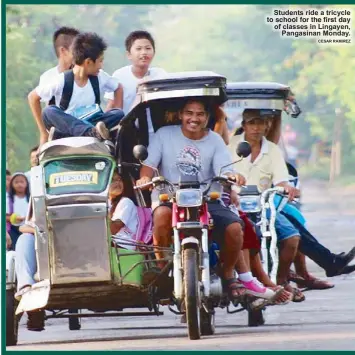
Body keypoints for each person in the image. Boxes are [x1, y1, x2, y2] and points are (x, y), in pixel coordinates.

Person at [228, 109, 355, 298]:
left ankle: (281, 280)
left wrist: (286, 187)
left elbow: (281, 178)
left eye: (260, 123)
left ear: (266, 125)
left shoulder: (272, 150)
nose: (256, 128)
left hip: (264, 203)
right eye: (252, 123)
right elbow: (221, 171)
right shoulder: (230, 147)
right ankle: (326, 264)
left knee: (292, 235)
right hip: (234, 204)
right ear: (244, 125)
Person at [136, 98, 249, 299]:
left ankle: (228, 273)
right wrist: (145, 177)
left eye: (200, 114)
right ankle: (163, 267)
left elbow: (224, 169)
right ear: (181, 114)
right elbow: (149, 167)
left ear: (207, 117)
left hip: (206, 198)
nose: (194, 118)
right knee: (161, 216)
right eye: (189, 113)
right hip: (168, 196)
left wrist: (232, 176)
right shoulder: (164, 135)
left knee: (235, 229)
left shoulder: (214, 140)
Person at [28, 32, 124, 143]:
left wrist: (111, 107)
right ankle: (91, 133)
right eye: (100, 61)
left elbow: (118, 87)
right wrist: (43, 134)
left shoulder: (100, 76)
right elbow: (32, 97)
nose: (101, 65)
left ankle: (90, 132)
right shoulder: (61, 80)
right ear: (88, 62)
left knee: (118, 113)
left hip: (92, 120)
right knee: (49, 111)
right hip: (68, 123)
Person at [28, 26, 80, 146]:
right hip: (59, 133)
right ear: (63, 51)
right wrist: (43, 133)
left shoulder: (85, 73)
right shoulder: (49, 77)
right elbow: (33, 98)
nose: (80, 53)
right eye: (76, 49)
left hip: (83, 127)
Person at [109, 169, 140, 250]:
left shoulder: (126, 202)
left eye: (119, 180)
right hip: (111, 244)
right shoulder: (106, 204)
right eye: (113, 180)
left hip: (123, 244)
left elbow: (114, 229)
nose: (118, 183)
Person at [6, 173, 30, 249]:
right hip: (13, 230)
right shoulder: (8, 199)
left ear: (27, 183)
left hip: (28, 228)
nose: (19, 184)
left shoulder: (30, 198)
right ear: (12, 184)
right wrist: (12, 218)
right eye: (16, 182)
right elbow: (4, 216)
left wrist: (27, 218)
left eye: (22, 182)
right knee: (15, 248)